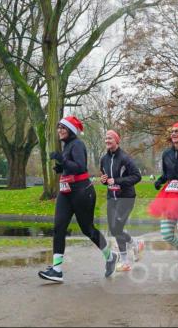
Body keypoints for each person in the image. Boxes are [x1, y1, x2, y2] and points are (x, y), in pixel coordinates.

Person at [38, 116, 118, 283]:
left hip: (82, 192)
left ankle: (110, 256)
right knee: (59, 227)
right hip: (66, 192)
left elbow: (81, 167)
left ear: (71, 130)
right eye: (59, 127)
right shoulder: (67, 145)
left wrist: (63, 160)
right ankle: (57, 270)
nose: (59, 130)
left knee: (87, 229)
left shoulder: (77, 144)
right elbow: (70, 167)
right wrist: (62, 167)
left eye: (63, 128)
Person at [148, 122, 178, 277]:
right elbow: (167, 174)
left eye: (177, 131)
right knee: (167, 233)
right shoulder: (166, 154)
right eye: (172, 131)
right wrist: (160, 181)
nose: (174, 134)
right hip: (170, 193)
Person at [98, 130, 144, 270]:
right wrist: (104, 180)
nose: (107, 141)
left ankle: (125, 261)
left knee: (117, 228)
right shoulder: (103, 159)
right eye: (106, 138)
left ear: (117, 141)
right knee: (113, 229)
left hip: (126, 198)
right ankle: (134, 243)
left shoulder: (125, 158)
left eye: (110, 138)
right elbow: (106, 177)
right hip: (111, 197)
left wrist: (117, 180)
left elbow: (137, 176)